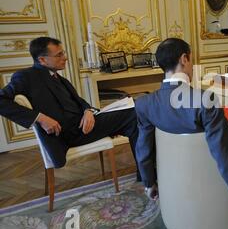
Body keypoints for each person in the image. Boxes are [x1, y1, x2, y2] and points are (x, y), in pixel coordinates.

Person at [134, 38, 228, 214]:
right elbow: (224, 152)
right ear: (184, 59)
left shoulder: (144, 104)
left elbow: (143, 150)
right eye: (191, 60)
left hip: (175, 184)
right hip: (212, 188)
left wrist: (149, 183)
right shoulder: (205, 100)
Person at [0, 37, 143, 181]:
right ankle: (148, 174)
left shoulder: (59, 79)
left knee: (134, 121)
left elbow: (80, 102)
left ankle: (146, 173)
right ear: (42, 60)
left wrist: (88, 111)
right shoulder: (26, 77)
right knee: (134, 113)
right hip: (67, 133)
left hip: (83, 125)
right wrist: (40, 118)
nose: (65, 58)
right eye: (59, 55)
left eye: (63, 53)